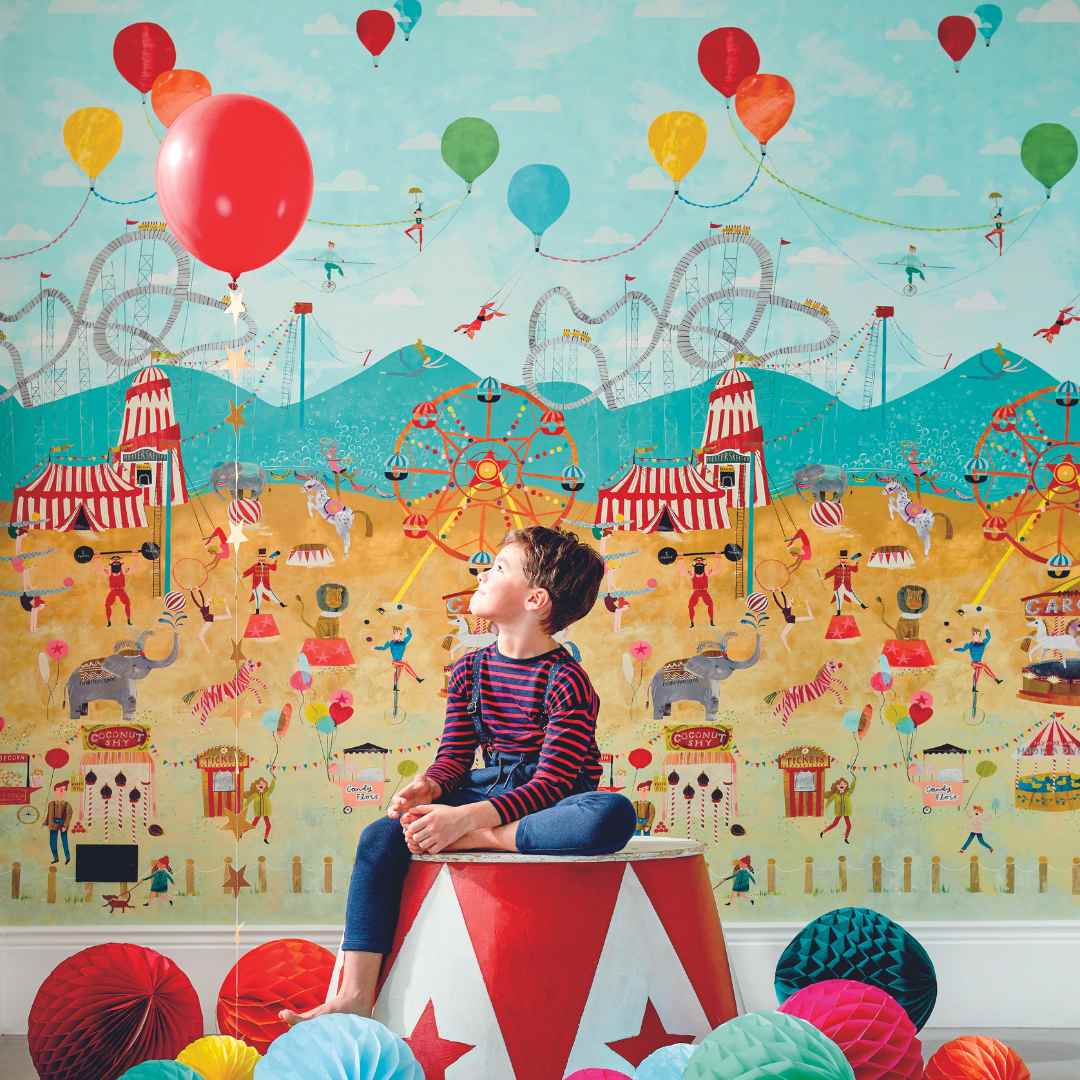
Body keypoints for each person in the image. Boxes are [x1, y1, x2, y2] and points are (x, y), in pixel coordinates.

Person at [282, 525, 636, 1025]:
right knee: (380, 836)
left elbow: (553, 784)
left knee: (610, 815)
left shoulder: (567, 681)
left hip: (550, 801)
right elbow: (454, 758)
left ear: (535, 599)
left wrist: (468, 823)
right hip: (490, 787)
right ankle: (355, 993)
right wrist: (429, 786)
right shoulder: (469, 670)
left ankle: (485, 839)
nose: (483, 574)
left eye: (499, 567)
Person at [823, 550, 867, 615]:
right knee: (839, 599)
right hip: (838, 587)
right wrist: (824, 578)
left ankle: (862, 605)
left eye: (845, 558)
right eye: (842, 558)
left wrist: (856, 562)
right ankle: (838, 612)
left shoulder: (849, 567)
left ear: (846, 559)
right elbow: (829, 573)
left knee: (853, 596)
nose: (843, 560)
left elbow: (855, 570)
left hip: (847, 586)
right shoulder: (836, 568)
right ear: (840, 559)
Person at [242, 549, 285, 613]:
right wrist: (242, 576)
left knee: (272, 594)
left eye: (264, 557)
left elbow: (274, 568)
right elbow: (248, 571)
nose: (262, 558)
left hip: (265, 585)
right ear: (258, 557)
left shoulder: (267, 565)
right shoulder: (255, 566)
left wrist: (275, 560)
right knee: (258, 598)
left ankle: (281, 604)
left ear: (265, 557)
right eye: (261, 557)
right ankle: (257, 611)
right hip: (256, 585)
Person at [820, 774, 856, 843]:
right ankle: (823, 832)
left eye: (844, 784)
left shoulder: (848, 793)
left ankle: (846, 838)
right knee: (834, 824)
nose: (842, 785)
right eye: (840, 784)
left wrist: (854, 779)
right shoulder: (835, 795)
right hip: (839, 812)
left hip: (846, 812)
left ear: (846, 786)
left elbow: (852, 787)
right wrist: (826, 807)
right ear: (837, 786)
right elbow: (829, 800)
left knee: (849, 825)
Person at [42, 781, 73, 865]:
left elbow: (69, 815)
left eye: (64, 790)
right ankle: (56, 857)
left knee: (64, 841)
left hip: (63, 823)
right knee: (52, 842)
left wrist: (65, 825)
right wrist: (45, 823)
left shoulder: (67, 804)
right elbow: (49, 815)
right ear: (55, 790)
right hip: (53, 823)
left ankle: (67, 857)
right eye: (60, 790)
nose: (61, 792)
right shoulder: (51, 804)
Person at [244, 771, 277, 844]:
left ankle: (265, 838)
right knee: (253, 825)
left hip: (265, 813)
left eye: (263, 784)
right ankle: (242, 832)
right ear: (256, 786)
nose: (261, 785)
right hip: (258, 813)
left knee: (268, 825)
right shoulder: (255, 795)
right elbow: (248, 801)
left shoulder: (267, 794)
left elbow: (271, 788)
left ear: (265, 785)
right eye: (259, 784)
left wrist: (274, 778)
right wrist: (243, 807)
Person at [103, 555, 134, 627]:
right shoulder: (109, 572)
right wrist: (97, 557)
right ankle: (109, 621)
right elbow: (99, 568)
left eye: (117, 560)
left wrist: (134, 555)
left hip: (121, 590)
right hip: (113, 591)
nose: (116, 561)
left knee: (128, 603)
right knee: (107, 604)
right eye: (114, 560)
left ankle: (128, 619)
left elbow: (133, 566)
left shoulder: (124, 571)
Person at [686, 556, 717, 629]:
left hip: (704, 591)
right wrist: (680, 560)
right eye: (697, 561)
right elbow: (682, 571)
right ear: (695, 563)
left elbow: (716, 570)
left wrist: (718, 558)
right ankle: (692, 622)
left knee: (711, 604)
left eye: (700, 561)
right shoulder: (692, 573)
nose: (699, 562)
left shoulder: (707, 572)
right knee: (690, 606)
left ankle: (711, 621)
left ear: (703, 562)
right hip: (696, 591)